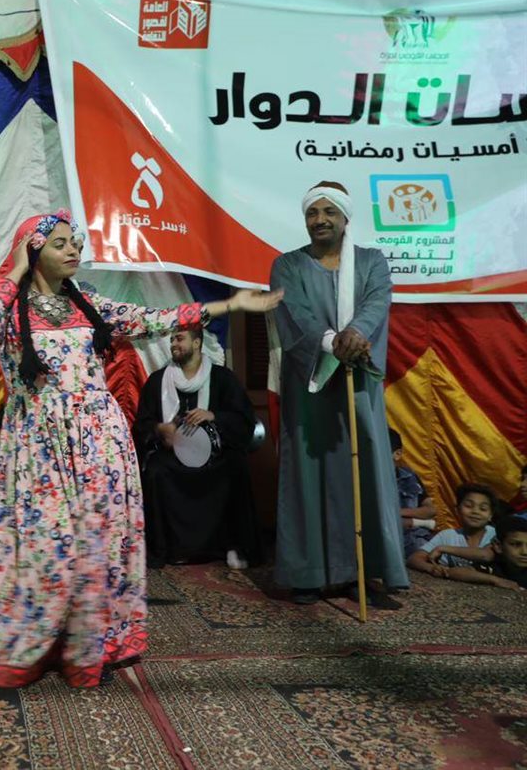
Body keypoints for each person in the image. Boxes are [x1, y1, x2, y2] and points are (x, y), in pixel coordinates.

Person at [0, 210, 282, 688]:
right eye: (60, 243)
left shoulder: (88, 304)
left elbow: (151, 319)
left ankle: (89, 647)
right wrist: (16, 267)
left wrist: (229, 306)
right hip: (41, 446)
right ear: (33, 251)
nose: (74, 250)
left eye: (75, 242)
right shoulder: (11, 310)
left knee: (96, 544)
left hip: (100, 440)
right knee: (46, 546)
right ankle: (32, 640)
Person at [270, 181, 409, 608]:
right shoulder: (287, 265)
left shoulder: (371, 261)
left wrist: (356, 334)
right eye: (313, 213)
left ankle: (360, 571)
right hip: (311, 384)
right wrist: (333, 342)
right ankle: (308, 574)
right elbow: (294, 314)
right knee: (308, 472)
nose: (320, 220)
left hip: (358, 380)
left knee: (362, 468)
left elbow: (377, 302)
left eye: (329, 212)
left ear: (345, 217)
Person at [133, 327, 260, 570]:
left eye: (179, 339)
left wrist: (214, 416)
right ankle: (169, 550)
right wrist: (160, 429)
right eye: (172, 340)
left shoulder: (223, 378)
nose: (173, 344)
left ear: (197, 343)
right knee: (156, 471)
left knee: (236, 466)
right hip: (172, 457)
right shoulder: (158, 381)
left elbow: (244, 420)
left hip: (216, 457)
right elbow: (141, 424)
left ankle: (232, 546)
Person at [407, 483, 498, 576]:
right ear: (457, 510)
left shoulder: (496, 534)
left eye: (483, 509)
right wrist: (432, 568)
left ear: (491, 515)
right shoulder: (447, 536)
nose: (475, 512)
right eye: (468, 506)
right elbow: (414, 559)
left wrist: (443, 548)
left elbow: (485, 555)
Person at [390, 429, 435, 557]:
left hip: (415, 537)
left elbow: (430, 510)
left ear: (397, 454)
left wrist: (397, 513)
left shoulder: (409, 477)